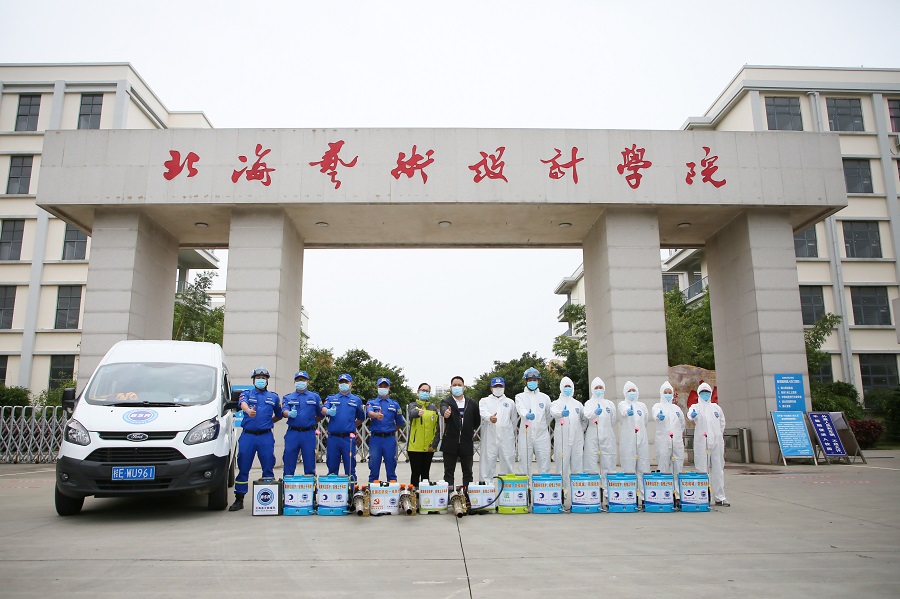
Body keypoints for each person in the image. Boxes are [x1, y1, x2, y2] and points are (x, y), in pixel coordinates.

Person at [229, 366, 282, 512]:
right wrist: (247, 411)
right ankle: (239, 498)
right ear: (253, 380)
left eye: (263, 378)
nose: (261, 380)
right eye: (258, 378)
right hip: (248, 436)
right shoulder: (246, 394)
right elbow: (242, 404)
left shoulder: (273, 397)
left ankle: (268, 500)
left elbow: (279, 414)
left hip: (265, 436)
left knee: (268, 466)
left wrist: (269, 422)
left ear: (267, 381)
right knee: (243, 467)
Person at [687, 382, 729, 506]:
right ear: (699, 393)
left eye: (707, 392)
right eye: (702, 392)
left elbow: (722, 422)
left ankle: (720, 497)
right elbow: (690, 415)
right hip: (702, 442)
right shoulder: (696, 407)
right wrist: (692, 415)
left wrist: (718, 435)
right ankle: (703, 496)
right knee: (702, 469)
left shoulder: (716, 408)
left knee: (718, 469)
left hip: (717, 442)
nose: (705, 394)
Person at [321, 373, 365, 480]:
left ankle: (351, 488)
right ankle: (332, 488)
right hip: (333, 438)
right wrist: (328, 411)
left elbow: (361, 418)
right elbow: (323, 409)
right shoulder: (331, 398)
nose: (343, 384)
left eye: (346, 382)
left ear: (351, 384)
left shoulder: (356, 400)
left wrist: (351, 426)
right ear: (338, 384)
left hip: (348, 439)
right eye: (341, 382)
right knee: (332, 467)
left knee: (350, 467)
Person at [439, 376, 478, 490]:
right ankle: (449, 495)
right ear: (450, 387)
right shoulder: (446, 401)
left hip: (466, 442)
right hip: (450, 442)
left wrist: (468, 430)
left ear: (464, 387)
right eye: (454, 385)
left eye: (459, 385)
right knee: (448, 472)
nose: (457, 387)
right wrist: (445, 413)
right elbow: (443, 409)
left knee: (468, 472)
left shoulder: (471, 403)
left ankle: (467, 495)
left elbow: (476, 421)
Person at [281, 371, 322, 477]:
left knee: (309, 460)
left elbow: (321, 413)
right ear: (294, 382)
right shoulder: (288, 397)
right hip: (293, 432)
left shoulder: (315, 397)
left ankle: (310, 485)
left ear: (308, 382)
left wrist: (311, 422)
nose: (300, 382)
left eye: (303, 380)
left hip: (308, 433)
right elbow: (284, 411)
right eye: (298, 380)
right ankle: (288, 485)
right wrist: (289, 413)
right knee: (289, 460)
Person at [365, 377, 406, 483]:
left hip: (389, 439)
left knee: (391, 464)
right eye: (381, 386)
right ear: (377, 388)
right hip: (376, 439)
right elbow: (369, 412)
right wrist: (376, 415)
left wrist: (390, 430)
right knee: (374, 463)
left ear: (389, 388)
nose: (383, 388)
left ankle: (392, 488)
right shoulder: (371, 402)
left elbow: (400, 422)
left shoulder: (394, 404)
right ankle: (372, 487)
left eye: (385, 386)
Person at [478, 377, 518, 481]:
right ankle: (487, 487)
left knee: (508, 462)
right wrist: (490, 418)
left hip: (506, 438)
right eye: (496, 386)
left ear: (504, 387)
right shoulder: (484, 401)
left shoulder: (510, 402)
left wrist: (508, 432)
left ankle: (507, 487)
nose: (498, 388)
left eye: (500, 386)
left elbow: (514, 420)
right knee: (487, 463)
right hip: (490, 437)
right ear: (491, 388)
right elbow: (483, 412)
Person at [550, 376, 585, 489]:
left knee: (577, 465)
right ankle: (562, 491)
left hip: (577, 439)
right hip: (562, 439)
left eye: (569, 386)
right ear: (561, 387)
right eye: (565, 386)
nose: (568, 388)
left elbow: (584, 419)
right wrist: (561, 413)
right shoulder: (556, 403)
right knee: (562, 466)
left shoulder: (578, 404)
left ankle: (578, 493)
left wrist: (579, 430)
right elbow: (553, 412)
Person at [515, 367, 552, 476]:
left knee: (544, 461)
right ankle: (526, 486)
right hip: (526, 434)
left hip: (542, 434)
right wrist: (526, 414)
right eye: (530, 380)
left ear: (538, 381)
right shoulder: (520, 397)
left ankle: (543, 485)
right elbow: (520, 409)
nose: (532, 382)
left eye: (534, 380)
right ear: (526, 381)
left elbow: (548, 415)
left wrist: (542, 425)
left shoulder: (545, 398)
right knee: (524, 463)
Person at [583, 376, 617, 489]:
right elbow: (587, 415)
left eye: (600, 387)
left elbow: (613, 420)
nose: (599, 390)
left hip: (607, 434)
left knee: (608, 460)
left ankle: (608, 490)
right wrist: (595, 413)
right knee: (591, 460)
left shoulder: (609, 404)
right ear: (592, 389)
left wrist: (606, 429)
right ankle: (593, 490)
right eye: (596, 388)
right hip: (592, 433)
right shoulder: (589, 403)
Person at [407, 382, 440, 488]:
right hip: (415, 447)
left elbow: (437, 428)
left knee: (425, 474)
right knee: (415, 473)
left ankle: (425, 496)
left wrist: (434, 444)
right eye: (423, 390)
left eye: (427, 391)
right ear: (418, 391)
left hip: (429, 447)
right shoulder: (413, 405)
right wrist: (418, 413)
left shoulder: (433, 408)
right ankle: (414, 495)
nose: (425, 392)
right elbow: (411, 414)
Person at [617, 380, 650, 484]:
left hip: (642, 439)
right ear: (625, 393)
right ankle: (630, 489)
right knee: (629, 465)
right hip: (628, 440)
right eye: (629, 391)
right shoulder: (623, 404)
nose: (632, 392)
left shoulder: (642, 406)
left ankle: (643, 491)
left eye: (633, 390)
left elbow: (645, 420)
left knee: (643, 465)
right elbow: (623, 410)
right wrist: (627, 412)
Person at [650, 381, 685, 475]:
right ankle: (664, 483)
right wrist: (658, 415)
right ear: (661, 393)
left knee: (678, 462)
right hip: (663, 440)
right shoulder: (658, 406)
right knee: (663, 461)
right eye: (665, 392)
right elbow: (655, 412)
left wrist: (678, 434)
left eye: (670, 392)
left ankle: (677, 483)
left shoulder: (676, 408)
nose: (668, 394)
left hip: (676, 440)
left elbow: (682, 423)